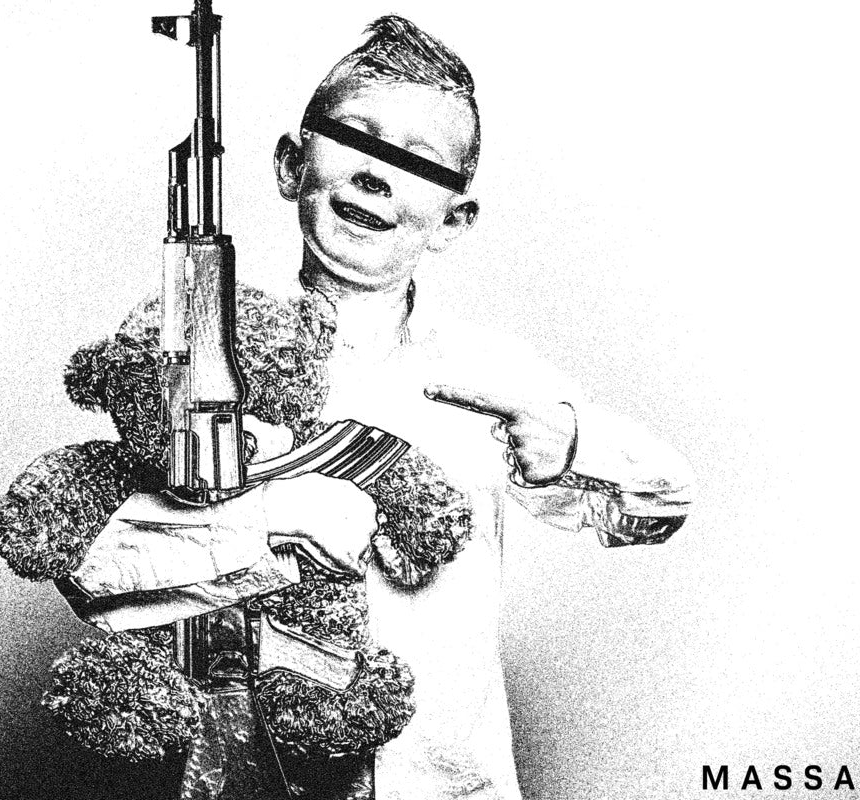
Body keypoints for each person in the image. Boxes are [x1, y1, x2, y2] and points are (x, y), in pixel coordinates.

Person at [77, 15, 694, 800]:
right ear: (292, 164)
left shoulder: (487, 376)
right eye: (354, 139)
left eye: (417, 162)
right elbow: (93, 574)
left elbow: (662, 503)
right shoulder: (202, 365)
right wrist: (266, 521)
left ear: (454, 219)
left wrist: (567, 441)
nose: (376, 175)